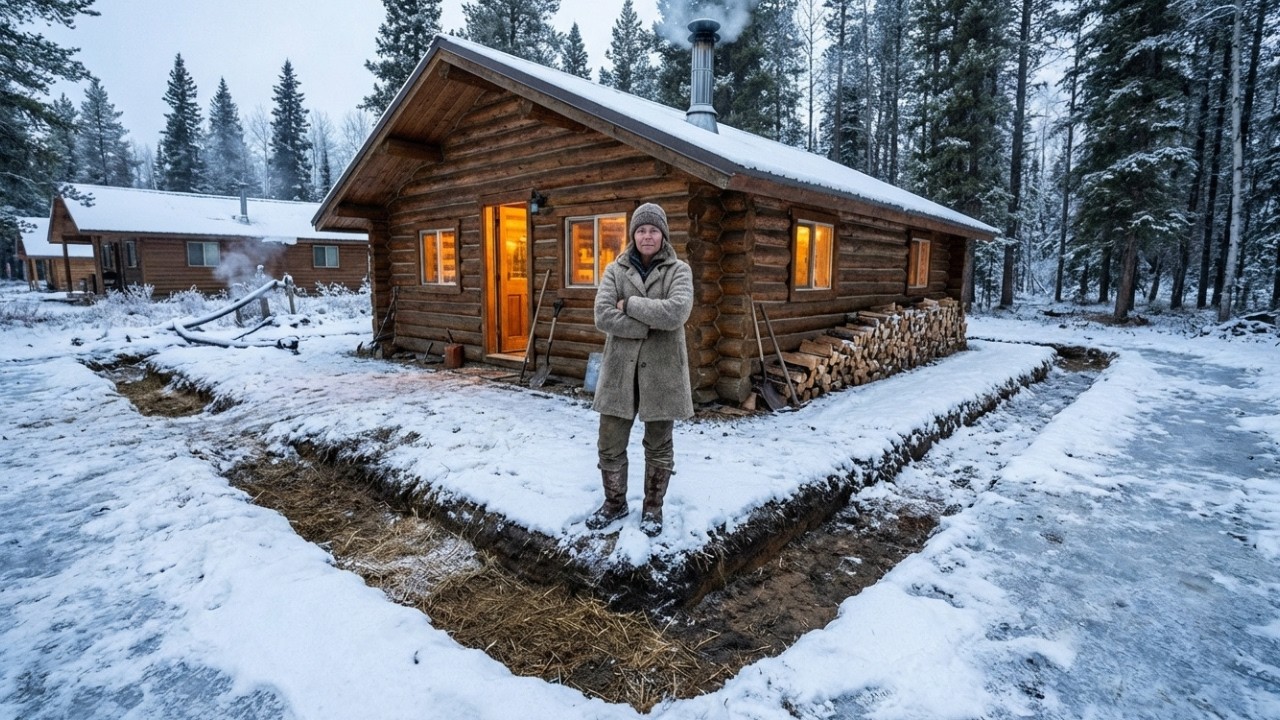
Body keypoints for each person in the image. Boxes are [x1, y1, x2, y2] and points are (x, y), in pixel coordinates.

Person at [585, 202, 694, 536]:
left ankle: (652, 509)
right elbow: (603, 315)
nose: (648, 236)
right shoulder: (614, 270)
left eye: (654, 230)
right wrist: (646, 325)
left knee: (659, 443)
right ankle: (614, 504)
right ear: (633, 235)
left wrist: (630, 305)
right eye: (642, 230)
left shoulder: (680, 270)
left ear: (663, 234)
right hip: (620, 370)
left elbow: (676, 312)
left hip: (663, 373)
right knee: (609, 441)